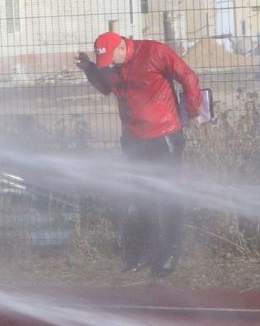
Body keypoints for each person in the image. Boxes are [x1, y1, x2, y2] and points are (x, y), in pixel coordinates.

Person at [76, 30, 205, 276]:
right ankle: (147, 250)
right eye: (105, 64)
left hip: (165, 135)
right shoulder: (109, 63)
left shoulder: (155, 52)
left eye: (111, 61)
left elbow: (187, 76)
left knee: (167, 195)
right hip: (133, 138)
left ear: (122, 48)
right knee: (141, 196)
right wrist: (90, 69)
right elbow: (106, 87)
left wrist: (194, 110)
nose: (109, 66)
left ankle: (171, 250)